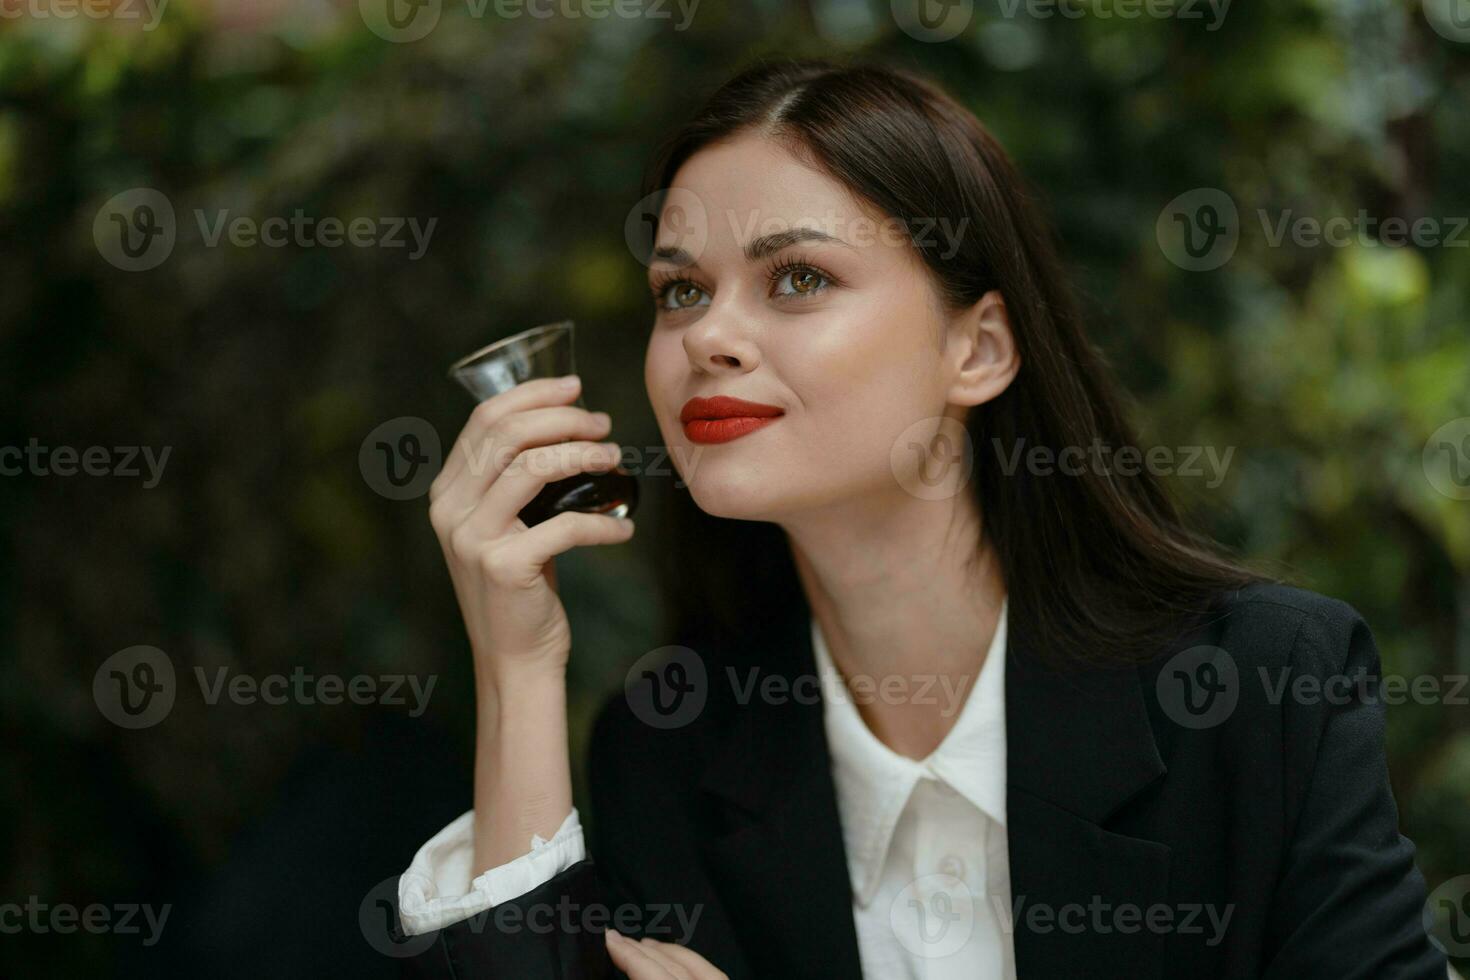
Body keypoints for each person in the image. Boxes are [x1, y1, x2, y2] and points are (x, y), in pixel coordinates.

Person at [393, 57, 1450, 978]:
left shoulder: (1260, 694)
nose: (710, 334)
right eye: (680, 291)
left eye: (797, 276)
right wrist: (517, 667)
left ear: (978, 348)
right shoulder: (670, 753)